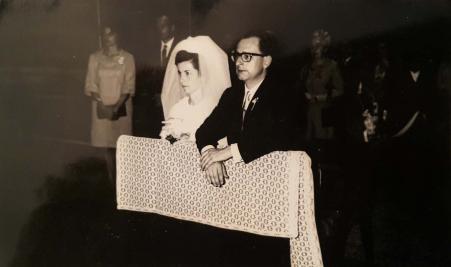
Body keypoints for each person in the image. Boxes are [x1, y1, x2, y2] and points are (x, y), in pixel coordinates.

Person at [195, 31, 292, 187]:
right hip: (242, 182)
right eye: (237, 56)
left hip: (276, 180)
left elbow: (271, 137)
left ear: (266, 61)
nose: (239, 63)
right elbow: (205, 131)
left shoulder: (282, 94)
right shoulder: (232, 94)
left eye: (247, 56)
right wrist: (211, 157)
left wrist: (224, 153)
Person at [84, 27, 135, 183]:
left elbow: (129, 86)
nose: (108, 37)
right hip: (101, 109)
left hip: (121, 108)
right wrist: (103, 106)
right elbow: (90, 85)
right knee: (105, 148)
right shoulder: (94, 58)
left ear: (118, 35)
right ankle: (109, 182)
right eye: (104, 34)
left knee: (121, 147)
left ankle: (123, 183)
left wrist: (116, 107)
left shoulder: (127, 58)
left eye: (111, 33)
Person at [159, 36, 231, 141]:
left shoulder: (215, 109)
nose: (182, 80)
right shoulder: (177, 109)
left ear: (202, 73)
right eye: (180, 73)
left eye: (187, 73)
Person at [134, 14, 181, 138]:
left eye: (164, 26)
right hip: (154, 106)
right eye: (158, 26)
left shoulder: (181, 48)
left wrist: (166, 95)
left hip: (175, 103)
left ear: (172, 28)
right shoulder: (149, 49)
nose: (160, 29)